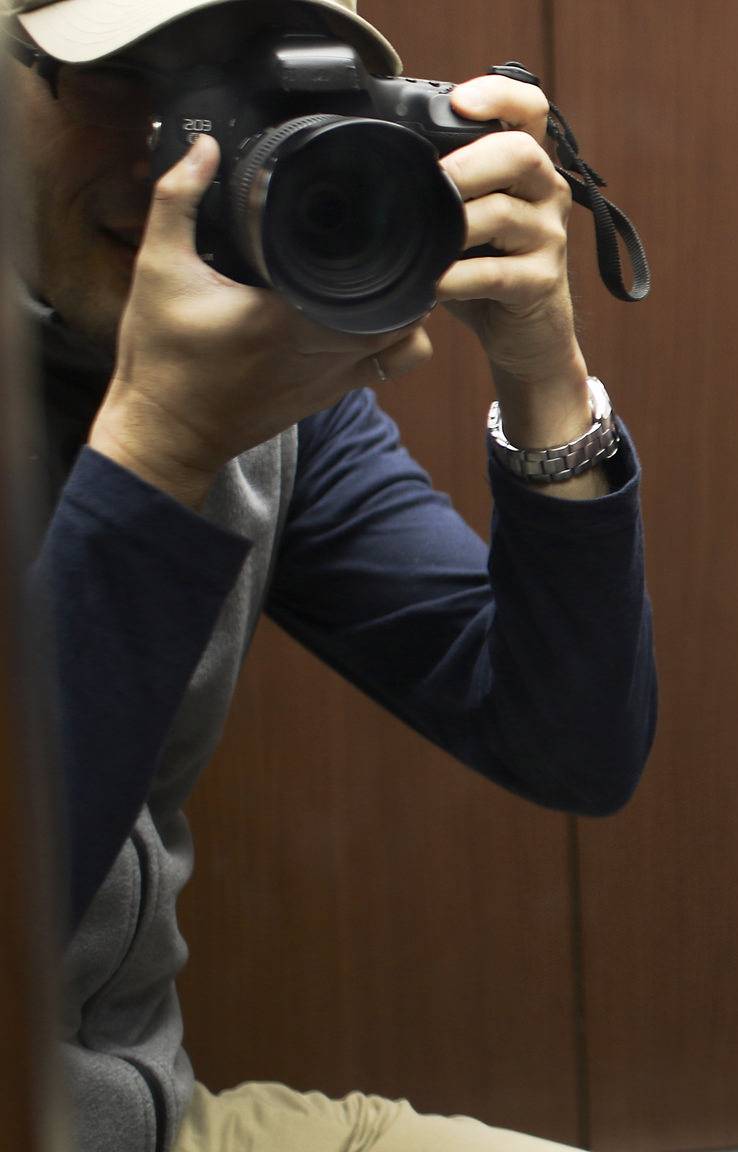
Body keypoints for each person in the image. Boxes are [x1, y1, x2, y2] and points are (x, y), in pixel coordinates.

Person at [9, 0, 658, 1149]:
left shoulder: (253, 388)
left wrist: (542, 369)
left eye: (237, 88)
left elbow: (569, 742)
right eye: (125, 80)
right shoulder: (202, 400)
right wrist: (159, 445)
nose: (177, 160)